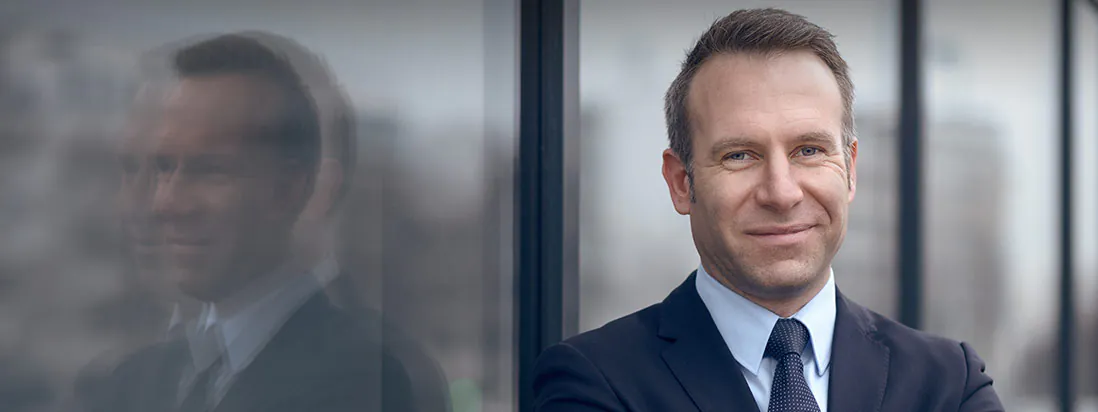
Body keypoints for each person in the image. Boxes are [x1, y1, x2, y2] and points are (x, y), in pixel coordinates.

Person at [532, 8, 1003, 412]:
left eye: (809, 151)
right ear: (681, 183)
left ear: (850, 170)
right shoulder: (594, 383)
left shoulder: (949, 384)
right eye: (740, 155)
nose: (781, 193)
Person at [73, 33, 445, 412]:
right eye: (165, 167)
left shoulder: (372, 380)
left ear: (289, 189)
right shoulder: (134, 380)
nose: (165, 203)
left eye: (210, 170)